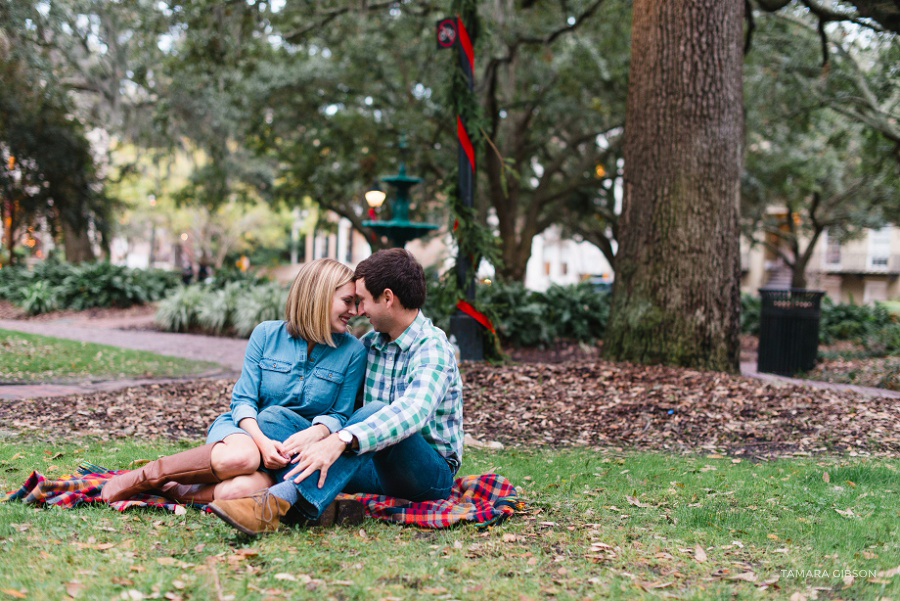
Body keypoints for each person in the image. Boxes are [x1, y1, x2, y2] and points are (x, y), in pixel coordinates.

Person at [208, 249, 464, 535]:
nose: (358, 312)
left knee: (376, 410)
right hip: (369, 466)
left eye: (363, 300)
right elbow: (340, 413)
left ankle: (281, 500)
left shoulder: (432, 347)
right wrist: (319, 435)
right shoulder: (369, 346)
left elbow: (413, 412)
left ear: (388, 298)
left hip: (425, 475)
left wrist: (340, 439)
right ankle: (314, 499)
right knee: (273, 420)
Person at [101, 259, 366, 504]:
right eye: (347, 301)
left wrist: (315, 432)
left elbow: (340, 414)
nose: (355, 311)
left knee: (239, 491)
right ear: (319, 297)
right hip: (246, 432)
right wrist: (261, 442)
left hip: (290, 452)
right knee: (243, 458)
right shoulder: (266, 334)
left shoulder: (353, 352)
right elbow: (243, 400)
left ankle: (171, 489)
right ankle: (147, 476)